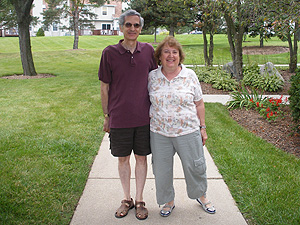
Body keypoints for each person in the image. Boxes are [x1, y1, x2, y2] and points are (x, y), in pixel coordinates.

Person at [98, 9, 157, 220]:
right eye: (128, 25)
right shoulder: (109, 53)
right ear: (121, 27)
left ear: (141, 28)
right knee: (123, 159)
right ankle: (127, 198)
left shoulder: (149, 51)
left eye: (136, 25)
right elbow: (105, 87)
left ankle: (140, 200)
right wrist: (107, 115)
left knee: (141, 158)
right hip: (119, 117)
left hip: (144, 117)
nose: (132, 29)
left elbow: (156, 81)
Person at [148, 36, 216, 217]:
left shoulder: (190, 75)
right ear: (160, 56)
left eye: (174, 52)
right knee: (161, 170)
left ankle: (201, 196)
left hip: (188, 131)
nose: (171, 56)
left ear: (180, 56)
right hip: (159, 132)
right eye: (166, 52)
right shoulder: (152, 77)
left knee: (195, 166)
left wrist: (203, 127)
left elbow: (199, 103)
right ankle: (168, 201)